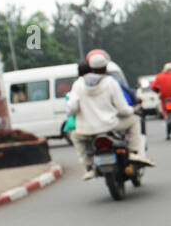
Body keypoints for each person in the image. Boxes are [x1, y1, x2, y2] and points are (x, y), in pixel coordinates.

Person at [66, 50, 153, 179]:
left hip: (86, 130)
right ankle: (135, 152)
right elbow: (122, 109)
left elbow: (72, 108)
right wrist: (132, 111)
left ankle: (88, 166)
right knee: (134, 119)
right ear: (106, 67)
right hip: (110, 125)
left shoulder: (78, 84)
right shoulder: (110, 82)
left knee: (75, 136)